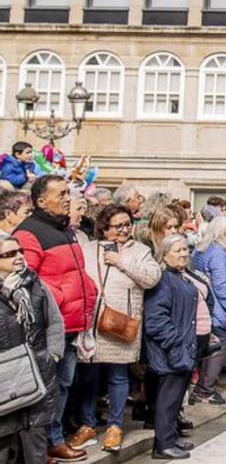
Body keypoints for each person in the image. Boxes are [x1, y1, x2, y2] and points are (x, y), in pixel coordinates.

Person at [13, 175, 97, 463]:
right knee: (47, 389)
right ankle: (46, 444)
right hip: (49, 327)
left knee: (62, 386)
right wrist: (58, 301)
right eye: (60, 193)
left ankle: (52, 440)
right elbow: (25, 281)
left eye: (67, 193)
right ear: (40, 201)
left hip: (72, 324)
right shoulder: (29, 233)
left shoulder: (66, 229)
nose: (67, 198)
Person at [70, 205, 162, 453]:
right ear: (104, 228)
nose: (124, 229)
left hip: (122, 322)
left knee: (118, 375)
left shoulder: (141, 251)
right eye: (117, 225)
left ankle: (115, 426)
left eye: (127, 224)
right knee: (88, 375)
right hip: (91, 321)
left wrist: (122, 261)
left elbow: (152, 278)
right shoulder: (88, 249)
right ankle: (87, 424)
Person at [0, 233, 63, 464]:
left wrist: (53, 355)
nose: (18, 257)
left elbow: (54, 321)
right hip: (5, 383)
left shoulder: (34, 284)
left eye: (19, 251)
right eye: (9, 254)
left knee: (36, 448)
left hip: (38, 375)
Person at [142, 235, 201, 460]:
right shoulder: (164, 280)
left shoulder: (179, 277)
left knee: (175, 399)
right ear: (164, 254)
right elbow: (156, 320)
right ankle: (163, 444)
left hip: (180, 348)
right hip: (170, 351)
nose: (184, 254)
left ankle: (170, 438)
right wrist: (175, 343)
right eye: (177, 251)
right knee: (167, 400)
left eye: (185, 249)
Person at [189, 216, 226, 405]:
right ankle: (205, 390)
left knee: (206, 348)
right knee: (218, 349)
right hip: (219, 310)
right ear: (221, 232)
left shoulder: (200, 250)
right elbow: (222, 285)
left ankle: (201, 388)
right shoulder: (219, 252)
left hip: (204, 308)